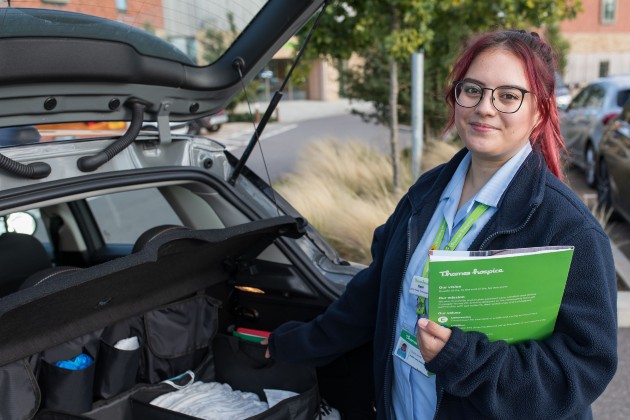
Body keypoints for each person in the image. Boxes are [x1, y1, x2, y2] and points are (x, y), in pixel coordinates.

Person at [264, 29, 618, 419]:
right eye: (473, 90)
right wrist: (292, 345)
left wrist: (464, 358)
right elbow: (372, 293)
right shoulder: (426, 193)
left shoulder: (568, 228)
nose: (485, 107)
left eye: (508, 95)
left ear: (539, 110)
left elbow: (580, 373)